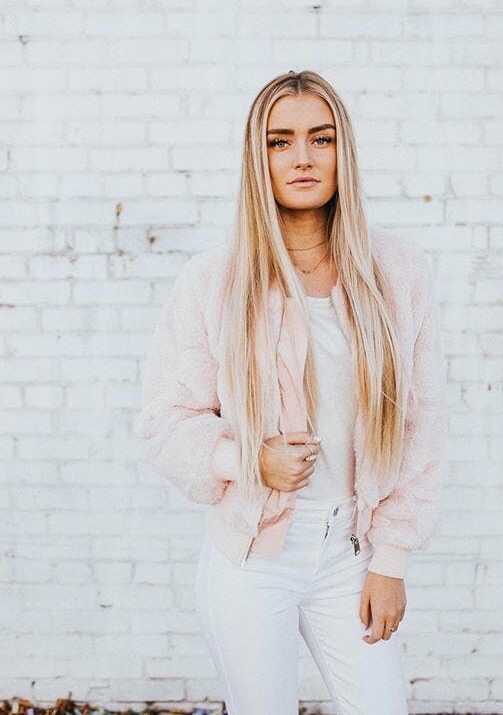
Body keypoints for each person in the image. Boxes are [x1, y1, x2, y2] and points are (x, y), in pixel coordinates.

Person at [134, 69, 449, 715]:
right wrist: (248, 459)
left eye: (320, 138)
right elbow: (167, 419)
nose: (302, 157)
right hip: (252, 555)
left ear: (343, 151)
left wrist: (391, 560)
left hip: (352, 551)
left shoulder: (397, 272)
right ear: (259, 158)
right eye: (280, 141)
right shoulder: (214, 281)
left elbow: (422, 423)